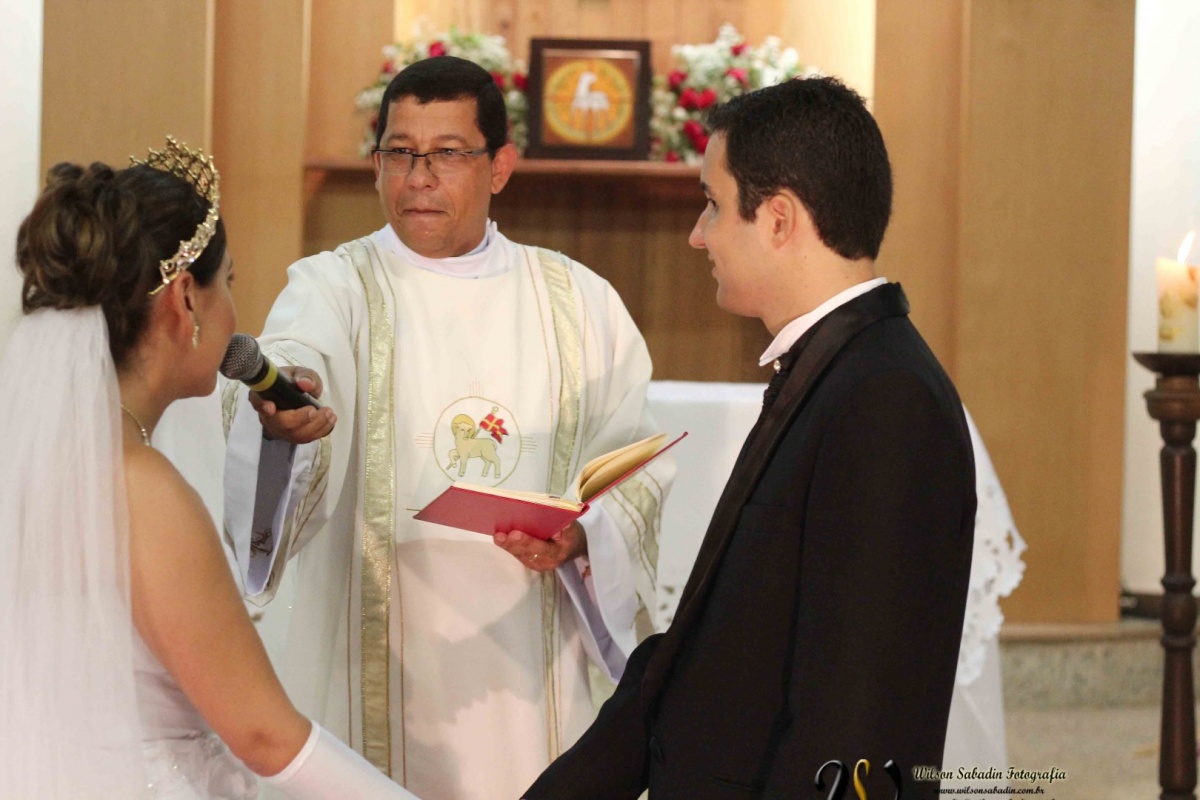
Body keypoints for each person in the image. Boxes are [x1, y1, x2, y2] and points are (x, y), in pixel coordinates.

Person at [222, 56, 671, 799]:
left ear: (500, 167)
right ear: (377, 166)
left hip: (529, 678)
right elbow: (299, 362)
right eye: (399, 153)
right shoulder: (333, 286)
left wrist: (582, 533)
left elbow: (634, 460)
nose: (418, 176)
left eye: (446, 154)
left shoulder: (580, 302)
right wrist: (283, 412)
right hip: (373, 666)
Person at [524, 77, 976, 800]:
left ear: (778, 218)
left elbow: (859, 720)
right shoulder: (835, 369)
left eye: (711, 203)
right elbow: (714, 649)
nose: (697, 234)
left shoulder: (885, 399)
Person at [0, 140, 418, 799]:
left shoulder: (37, 459)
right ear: (184, 300)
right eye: (229, 285)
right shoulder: (140, 487)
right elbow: (265, 736)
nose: (235, 314)